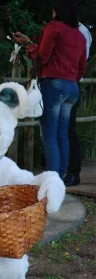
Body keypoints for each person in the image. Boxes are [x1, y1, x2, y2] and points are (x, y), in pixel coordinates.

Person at [13, 0, 87, 180]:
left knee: (49, 135)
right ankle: (59, 176)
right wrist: (71, 80)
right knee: (63, 133)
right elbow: (82, 67)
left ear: (56, 11)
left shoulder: (54, 28)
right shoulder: (80, 36)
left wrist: (28, 45)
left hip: (54, 84)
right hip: (72, 86)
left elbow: (41, 57)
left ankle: (52, 179)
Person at [64, 23, 92, 186]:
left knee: (68, 129)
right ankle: (66, 170)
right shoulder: (71, 29)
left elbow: (81, 61)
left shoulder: (80, 32)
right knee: (63, 129)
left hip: (70, 82)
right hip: (67, 82)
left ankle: (73, 171)